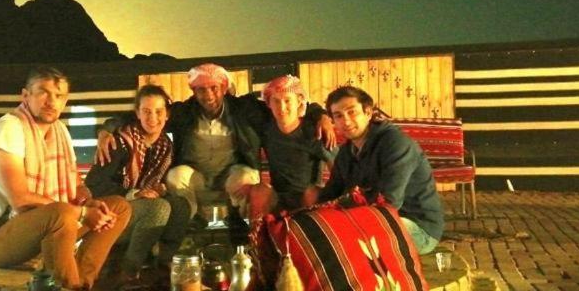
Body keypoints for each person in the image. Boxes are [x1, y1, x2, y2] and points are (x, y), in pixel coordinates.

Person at [97, 63, 335, 222]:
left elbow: (286, 104)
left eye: (213, 88)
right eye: (201, 90)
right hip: (197, 177)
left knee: (247, 177)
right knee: (176, 175)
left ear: (223, 88)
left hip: (232, 176)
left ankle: (246, 227)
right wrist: (108, 129)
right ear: (193, 91)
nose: (208, 95)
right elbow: (143, 114)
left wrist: (320, 114)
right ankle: (188, 222)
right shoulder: (183, 112)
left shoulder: (245, 109)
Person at [0, 66, 131, 291]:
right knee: (61, 214)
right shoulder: (9, 127)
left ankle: (82, 285)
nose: (51, 101)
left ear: (65, 100)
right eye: (43, 92)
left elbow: (76, 186)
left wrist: (88, 203)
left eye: (59, 95)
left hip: (46, 224)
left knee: (118, 207)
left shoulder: (60, 130)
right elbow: (20, 199)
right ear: (26, 95)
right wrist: (81, 213)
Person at [304, 85, 444, 254]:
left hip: (416, 227)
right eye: (338, 116)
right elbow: (331, 193)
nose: (346, 121)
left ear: (368, 112)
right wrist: (310, 218)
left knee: (345, 237)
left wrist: (342, 217)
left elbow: (389, 203)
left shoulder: (395, 143)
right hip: (371, 219)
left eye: (352, 112)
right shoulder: (346, 153)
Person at [84, 85, 191, 278]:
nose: (153, 118)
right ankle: (129, 271)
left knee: (181, 205)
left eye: (159, 112)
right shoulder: (119, 142)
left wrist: (160, 188)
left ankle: (164, 264)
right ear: (137, 114)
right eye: (146, 112)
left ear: (167, 115)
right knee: (158, 208)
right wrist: (134, 194)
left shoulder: (165, 147)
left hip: (141, 208)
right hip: (112, 212)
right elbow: (94, 185)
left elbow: (159, 181)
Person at [246, 75, 335, 220]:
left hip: (308, 197)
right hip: (279, 195)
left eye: (288, 101)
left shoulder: (315, 131)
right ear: (268, 103)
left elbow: (337, 166)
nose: (282, 107)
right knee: (259, 191)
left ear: (299, 101)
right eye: (276, 101)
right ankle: (258, 237)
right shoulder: (266, 129)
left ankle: (310, 231)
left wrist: (334, 196)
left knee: (311, 193)